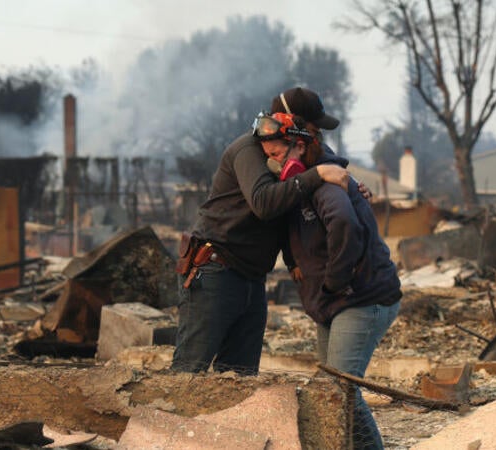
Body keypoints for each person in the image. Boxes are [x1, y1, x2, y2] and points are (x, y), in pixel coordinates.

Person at [172, 87, 364, 375]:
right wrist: (317, 176)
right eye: (312, 129)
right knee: (188, 372)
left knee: (239, 378)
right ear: (291, 123)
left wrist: (351, 185)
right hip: (215, 271)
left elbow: (317, 179)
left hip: (252, 277)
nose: (316, 139)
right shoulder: (248, 151)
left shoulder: (297, 150)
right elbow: (264, 203)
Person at [272, 130, 401, 450]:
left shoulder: (326, 184)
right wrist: (292, 264)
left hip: (360, 299)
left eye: (277, 155)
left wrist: (334, 281)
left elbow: (344, 223)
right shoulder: (302, 188)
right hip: (333, 303)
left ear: (300, 147)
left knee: (341, 393)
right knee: (331, 393)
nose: (273, 163)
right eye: (269, 156)